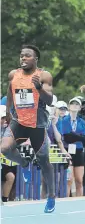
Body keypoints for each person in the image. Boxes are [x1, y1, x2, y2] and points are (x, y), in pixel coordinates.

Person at [0, 45, 56, 213]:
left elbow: (50, 100)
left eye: (27, 56)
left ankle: (51, 196)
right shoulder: (13, 75)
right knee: (4, 148)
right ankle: (24, 162)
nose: (23, 58)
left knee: (44, 159)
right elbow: (10, 91)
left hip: (37, 123)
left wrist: (38, 88)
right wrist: (9, 110)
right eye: (22, 56)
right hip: (18, 121)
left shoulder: (44, 76)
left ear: (35, 59)